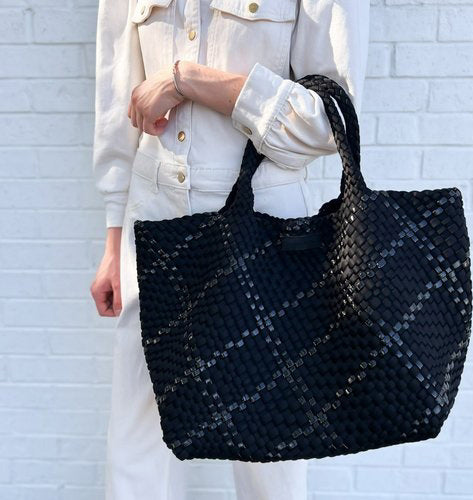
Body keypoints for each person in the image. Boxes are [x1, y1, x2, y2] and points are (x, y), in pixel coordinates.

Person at [90, 0, 370, 499]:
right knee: (136, 440)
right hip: (153, 218)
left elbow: (328, 122)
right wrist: (113, 240)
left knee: (271, 444)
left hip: (269, 226)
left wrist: (189, 81)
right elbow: (118, 103)